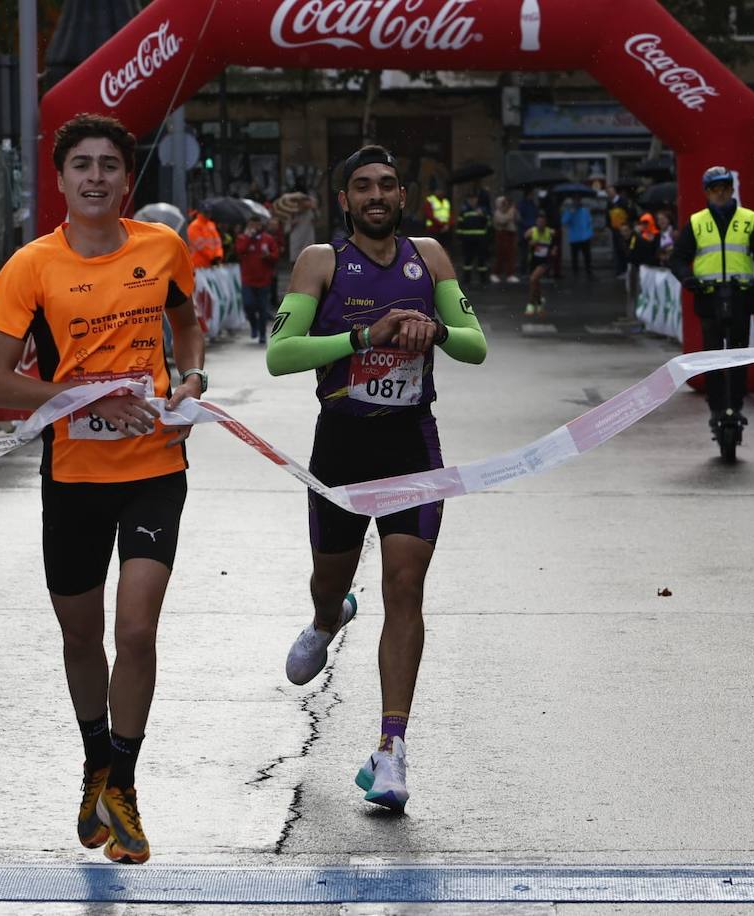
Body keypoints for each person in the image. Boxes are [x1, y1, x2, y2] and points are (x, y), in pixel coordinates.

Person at [0, 113, 206, 866]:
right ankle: (95, 762)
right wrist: (87, 399)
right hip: (72, 475)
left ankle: (126, 787)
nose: (97, 177)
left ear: (126, 178)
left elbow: (186, 319)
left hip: (153, 469)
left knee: (135, 631)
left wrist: (192, 377)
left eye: (110, 164)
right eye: (83, 165)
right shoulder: (31, 267)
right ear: (62, 177)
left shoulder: (163, 247)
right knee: (81, 635)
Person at [265, 144, 487, 812]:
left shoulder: (432, 257)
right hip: (341, 448)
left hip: (412, 445)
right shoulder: (321, 263)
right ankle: (328, 618)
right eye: (363, 186)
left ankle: (391, 750)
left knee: (407, 583)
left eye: (388, 185)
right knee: (328, 581)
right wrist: (366, 337)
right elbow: (281, 354)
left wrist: (435, 329)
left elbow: (475, 345)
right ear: (346, 201)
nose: (377, 196)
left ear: (403, 196)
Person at [669, 165, 754, 434]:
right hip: (708, 296)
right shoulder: (697, 222)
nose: (721, 193)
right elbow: (678, 258)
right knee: (712, 356)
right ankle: (716, 406)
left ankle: (736, 405)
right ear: (707, 192)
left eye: (725, 187)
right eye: (715, 189)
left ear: (731, 189)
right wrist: (687, 279)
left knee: (739, 355)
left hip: (740, 294)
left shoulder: (749, 219)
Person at [236, 214, 280, 344]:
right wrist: (249, 238)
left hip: (264, 280)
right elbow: (240, 250)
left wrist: (269, 256)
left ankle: (262, 334)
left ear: (261, 225)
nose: (254, 227)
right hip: (248, 280)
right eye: (251, 225)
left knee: (262, 308)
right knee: (248, 305)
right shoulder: (242, 238)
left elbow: (276, 255)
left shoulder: (268, 239)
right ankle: (253, 325)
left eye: (257, 225)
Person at [455, 190, 491, 287]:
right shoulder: (464, 211)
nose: (472, 201)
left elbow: (488, 223)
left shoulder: (482, 210)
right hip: (468, 240)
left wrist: (482, 215)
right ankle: (467, 279)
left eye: (474, 199)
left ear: (477, 200)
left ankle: (483, 280)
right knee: (468, 260)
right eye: (470, 199)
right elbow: (460, 225)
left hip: (480, 239)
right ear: (468, 200)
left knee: (481, 260)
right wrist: (460, 238)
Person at [524, 211, 555, 317]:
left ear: (545, 223)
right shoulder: (531, 232)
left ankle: (531, 304)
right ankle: (540, 303)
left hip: (544, 262)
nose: (540, 224)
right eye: (538, 222)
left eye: (542, 222)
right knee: (536, 283)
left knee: (533, 279)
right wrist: (530, 243)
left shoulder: (550, 232)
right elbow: (523, 241)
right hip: (533, 261)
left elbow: (554, 244)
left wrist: (554, 250)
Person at [561, 196, 594, 277]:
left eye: (578, 200)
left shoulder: (585, 210)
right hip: (574, 238)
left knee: (587, 257)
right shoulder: (569, 210)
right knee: (574, 258)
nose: (577, 202)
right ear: (573, 201)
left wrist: (589, 234)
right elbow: (563, 221)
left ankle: (589, 272)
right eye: (575, 200)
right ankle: (575, 273)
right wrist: (570, 213)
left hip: (585, 238)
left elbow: (589, 222)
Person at [607, 184, 635, 278]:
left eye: (611, 191)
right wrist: (609, 226)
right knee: (617, 250)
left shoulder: (623, 201)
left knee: (624, 249)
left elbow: (630, 213)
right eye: (608, 192)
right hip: (615, 229)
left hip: (624, 229)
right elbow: (607, 215)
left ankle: (625, 269)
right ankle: (619, 270)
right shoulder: (609, 203)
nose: (610, 193)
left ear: (615, 191)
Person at [491, 195, 519, 283]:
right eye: (503, 203)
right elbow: (503, 221)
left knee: (511, 255)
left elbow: (517, 218)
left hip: (510, 234)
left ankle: (510, 274)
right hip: (502, 234)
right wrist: (511, 212)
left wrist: (513, 211)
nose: (505, 205)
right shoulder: (498, 213)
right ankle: (495, 273)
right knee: (501, 254)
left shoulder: (509, 211)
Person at [187, 206, 224, 270]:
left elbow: (218, 242)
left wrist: (218, 256)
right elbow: (200, 245)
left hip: (210, 265)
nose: (208, 214)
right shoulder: (194, 226)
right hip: (198, 265)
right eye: (206, 212)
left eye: (209, 212)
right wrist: (213, 258)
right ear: (201, 212)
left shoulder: (211, 224)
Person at [421, 183, 453, 256]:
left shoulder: (446, 202)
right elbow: (429, 215)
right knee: (433, 249)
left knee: (444, 248)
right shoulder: (430, 201)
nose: (440, 192)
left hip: (445, 230)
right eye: (438, 190)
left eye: (442, 191)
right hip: (433, 229)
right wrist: (442, 226)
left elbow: (450, 214)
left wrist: (448, 225)